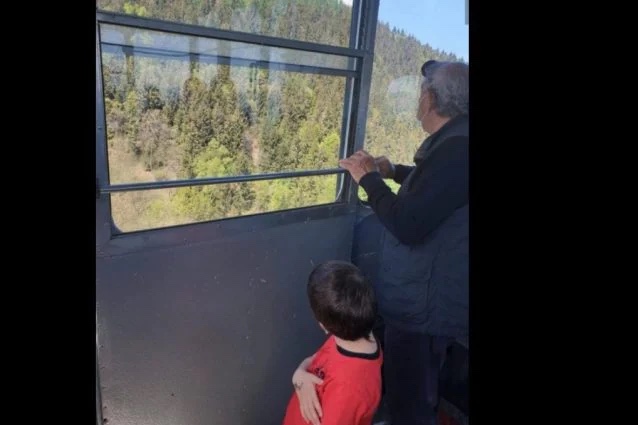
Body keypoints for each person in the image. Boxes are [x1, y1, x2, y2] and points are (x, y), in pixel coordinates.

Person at [338, 59, 469, 425]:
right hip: (426, 300)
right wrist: (393, 171)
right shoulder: (456, 143)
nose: (418, 98)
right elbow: (437, 190)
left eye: (421, 91)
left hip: (423, 309)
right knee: (411, 395)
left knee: (410, 405)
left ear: (431, 100)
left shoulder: (457, 149)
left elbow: (408, 224)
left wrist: (368, 179)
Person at [282, 261, 383, 425]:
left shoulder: (349, 390)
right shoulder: (351, 335)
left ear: (323, 326)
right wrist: (299, 375)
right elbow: (314, 360)